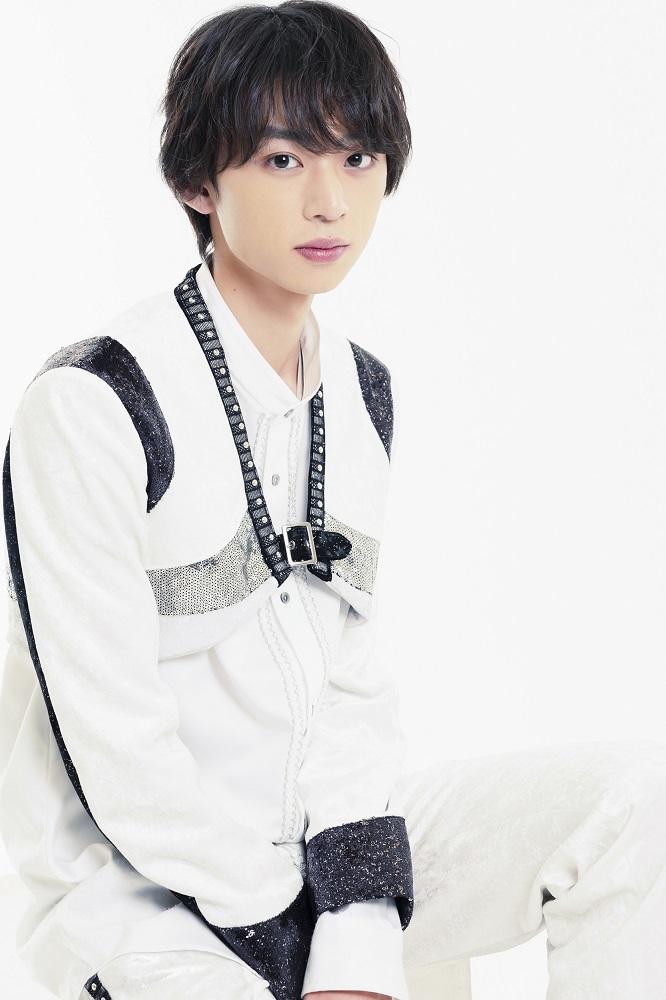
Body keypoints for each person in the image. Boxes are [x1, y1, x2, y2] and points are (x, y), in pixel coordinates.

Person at [2, 4, 666, 1000]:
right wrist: (285, 929)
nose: (330, 202)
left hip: (329, 860)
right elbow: (116, 750)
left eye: (357, 160)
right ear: (197, 181)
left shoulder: (360, 392)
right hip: (146, 899)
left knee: (635, 803)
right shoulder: (95, 402)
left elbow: (350, 692)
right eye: (283, 160)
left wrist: (354, 934)